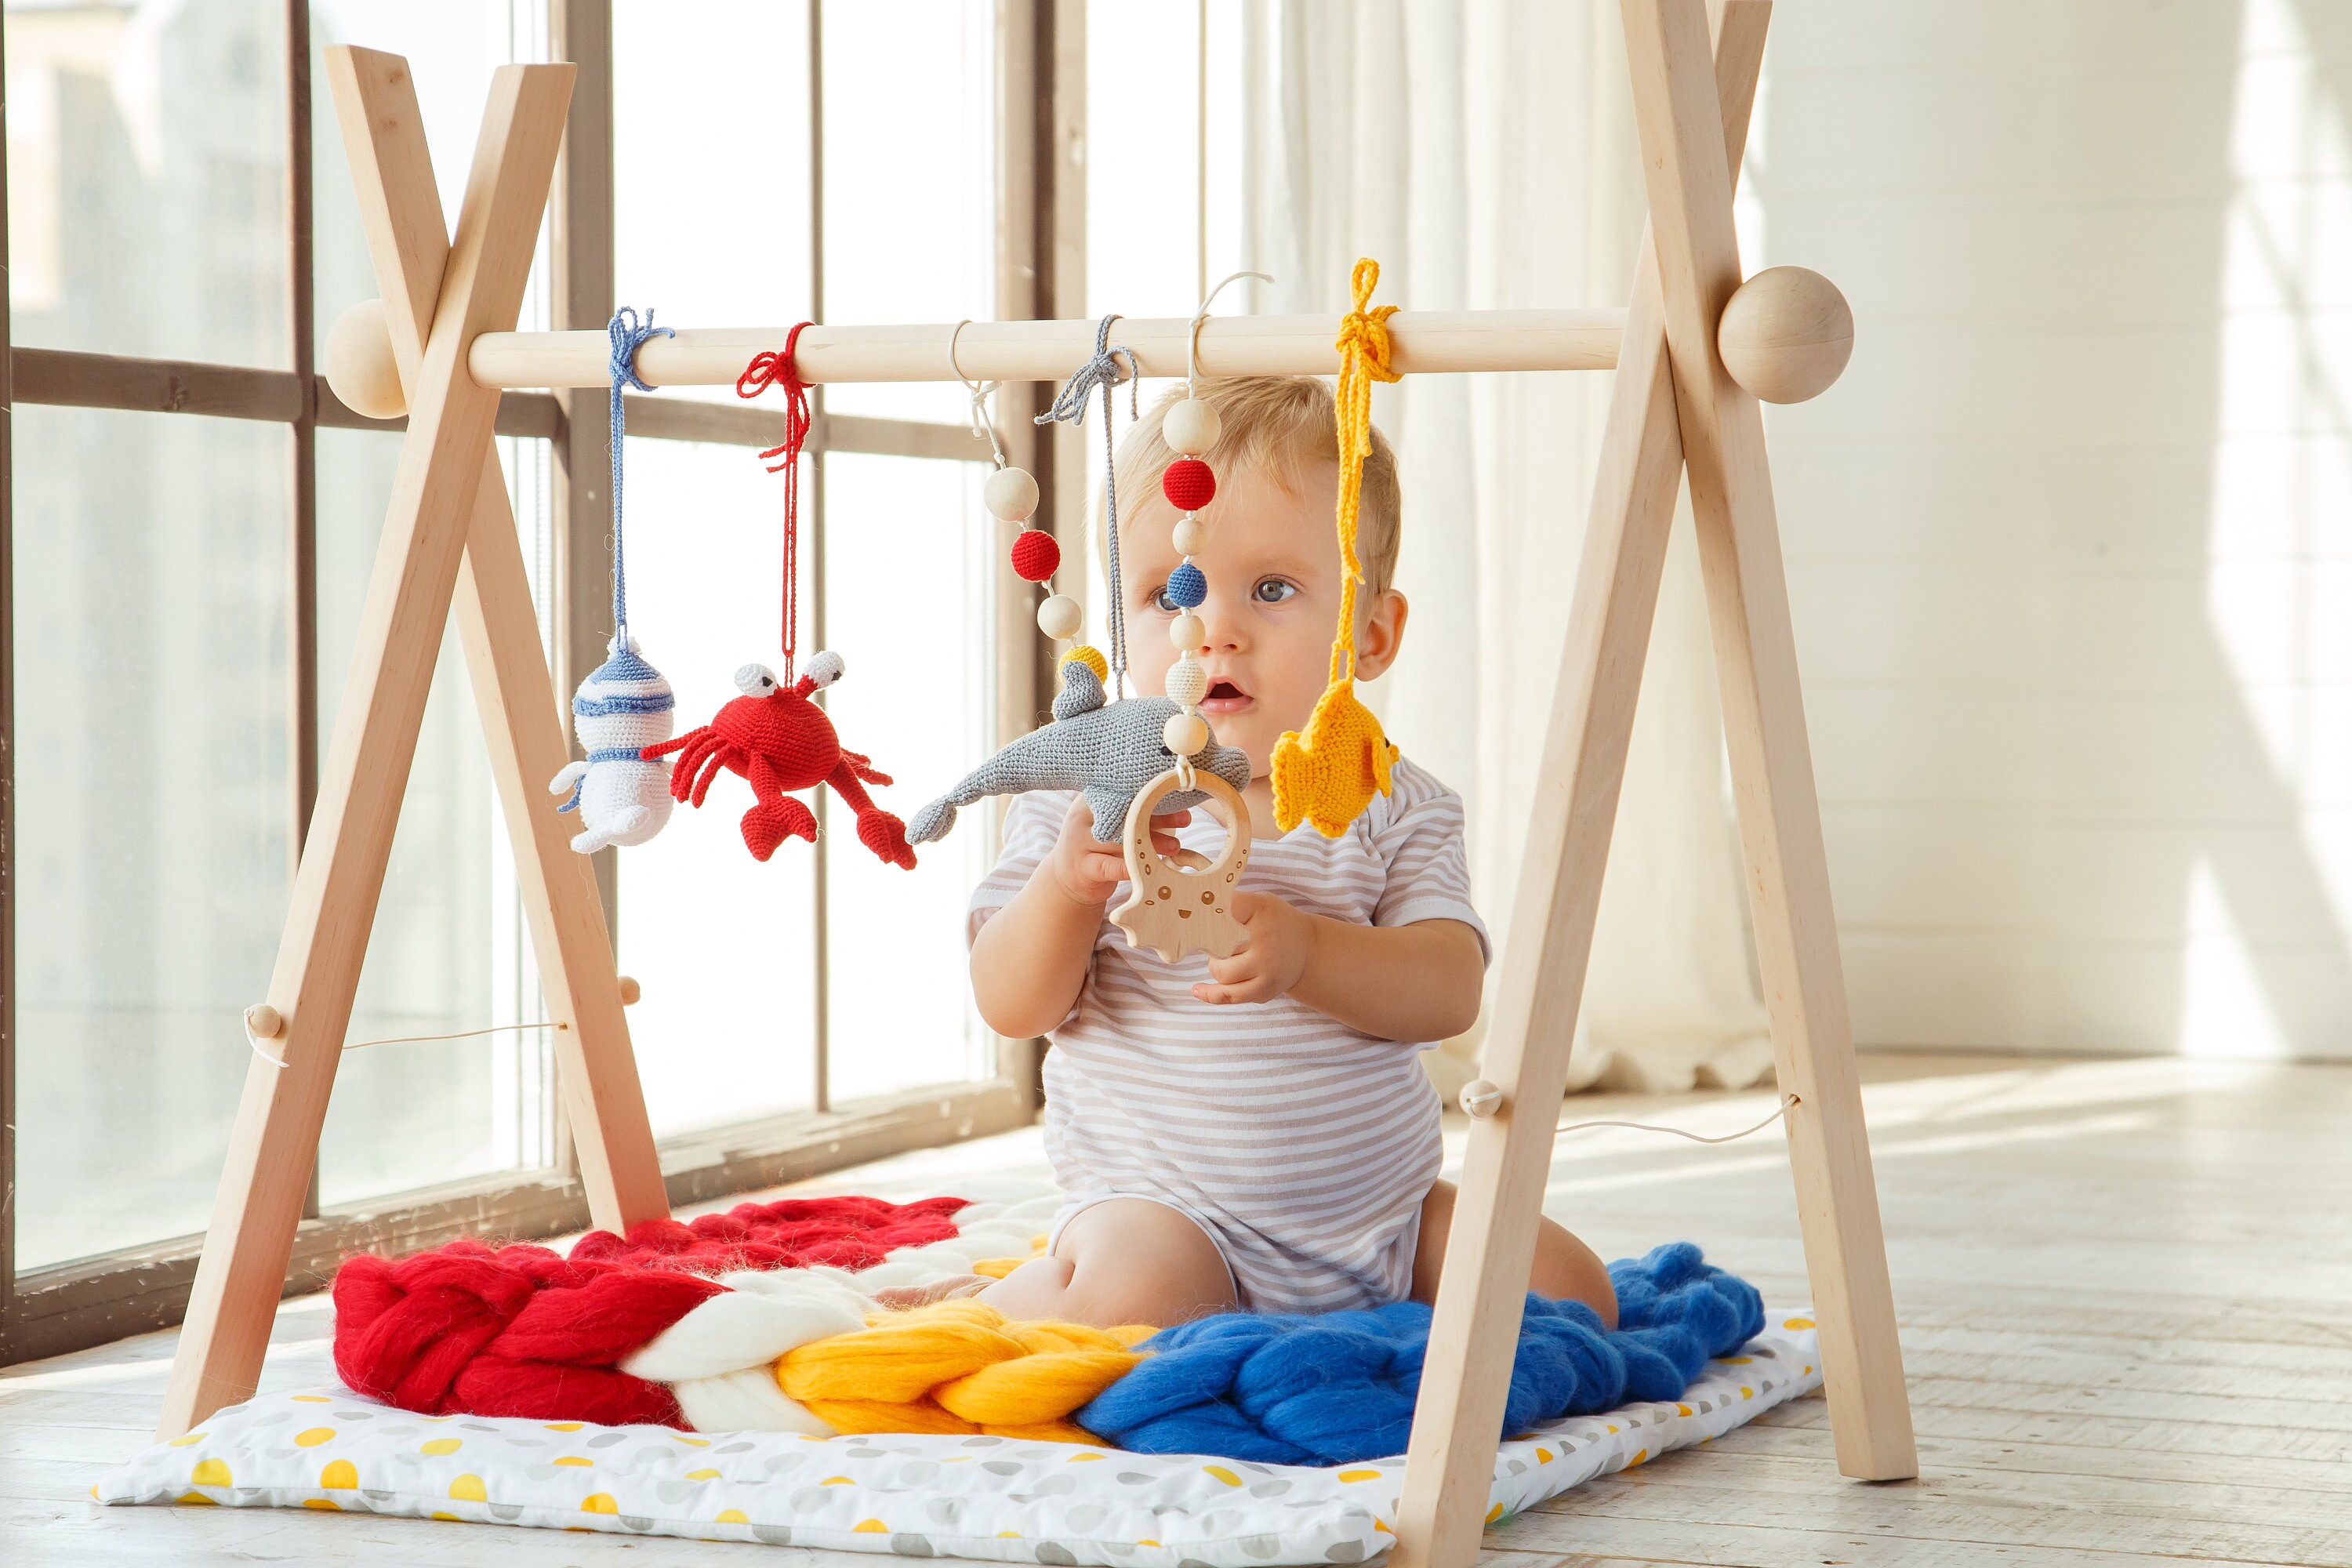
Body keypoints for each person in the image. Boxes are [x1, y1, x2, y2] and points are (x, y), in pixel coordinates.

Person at [964, 376, 1616, 1330]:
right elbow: (1009, 1002)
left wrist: (1311, 954)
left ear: (1373, 631)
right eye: (1167, 592)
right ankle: (980, 1309)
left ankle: (1364, 1295)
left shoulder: (1395, 803)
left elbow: (1449, 990)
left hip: (1383, 1221)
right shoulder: (1089, 805)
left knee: (1571, 1294)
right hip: (1171, 1216)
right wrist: (1064, 891)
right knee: (1132, 1296)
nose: (1213, 627)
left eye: (1272, 588)